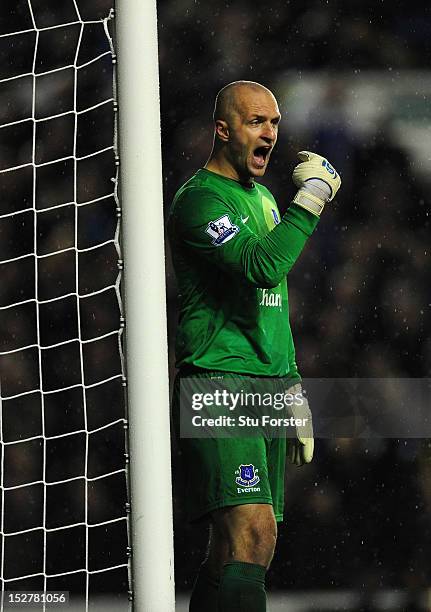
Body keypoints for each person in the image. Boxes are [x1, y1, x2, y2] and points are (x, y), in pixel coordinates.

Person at [168, 80, 341, 611]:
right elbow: (262, 268)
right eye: (255, 122)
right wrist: (310, 200)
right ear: (223, 130)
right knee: (253, 533)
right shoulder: (199, 201)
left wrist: (292, 388)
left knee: (235, 550)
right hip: (218, 378)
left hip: (263, 384)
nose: (270, 133)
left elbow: (274, 308)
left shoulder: (263, 197)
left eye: (274, 123)